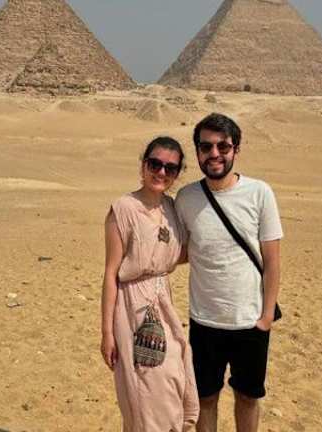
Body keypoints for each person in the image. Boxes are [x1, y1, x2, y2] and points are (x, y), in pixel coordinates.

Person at [175, 114, 283, 432]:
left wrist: (266, 317)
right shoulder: (186, 198)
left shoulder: (260, 193)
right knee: (205, 398)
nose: (215, 154)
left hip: (250, 320)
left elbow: (272, 260)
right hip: (204, 321)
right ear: (197, 151)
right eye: (206, 146)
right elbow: (183, 251)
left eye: (223, 146)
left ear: (236, 149)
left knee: (248, 397)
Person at [101, 137, 199, 431]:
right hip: (131, 307)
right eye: (155, 164)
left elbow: (178, 254)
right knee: (145, 388)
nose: (161, 172)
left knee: (173, 377)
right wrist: (107, 333)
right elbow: (111, 273)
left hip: (163, 302)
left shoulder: (172, 208)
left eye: (171, 168)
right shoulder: (123, 209)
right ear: (143, 165)